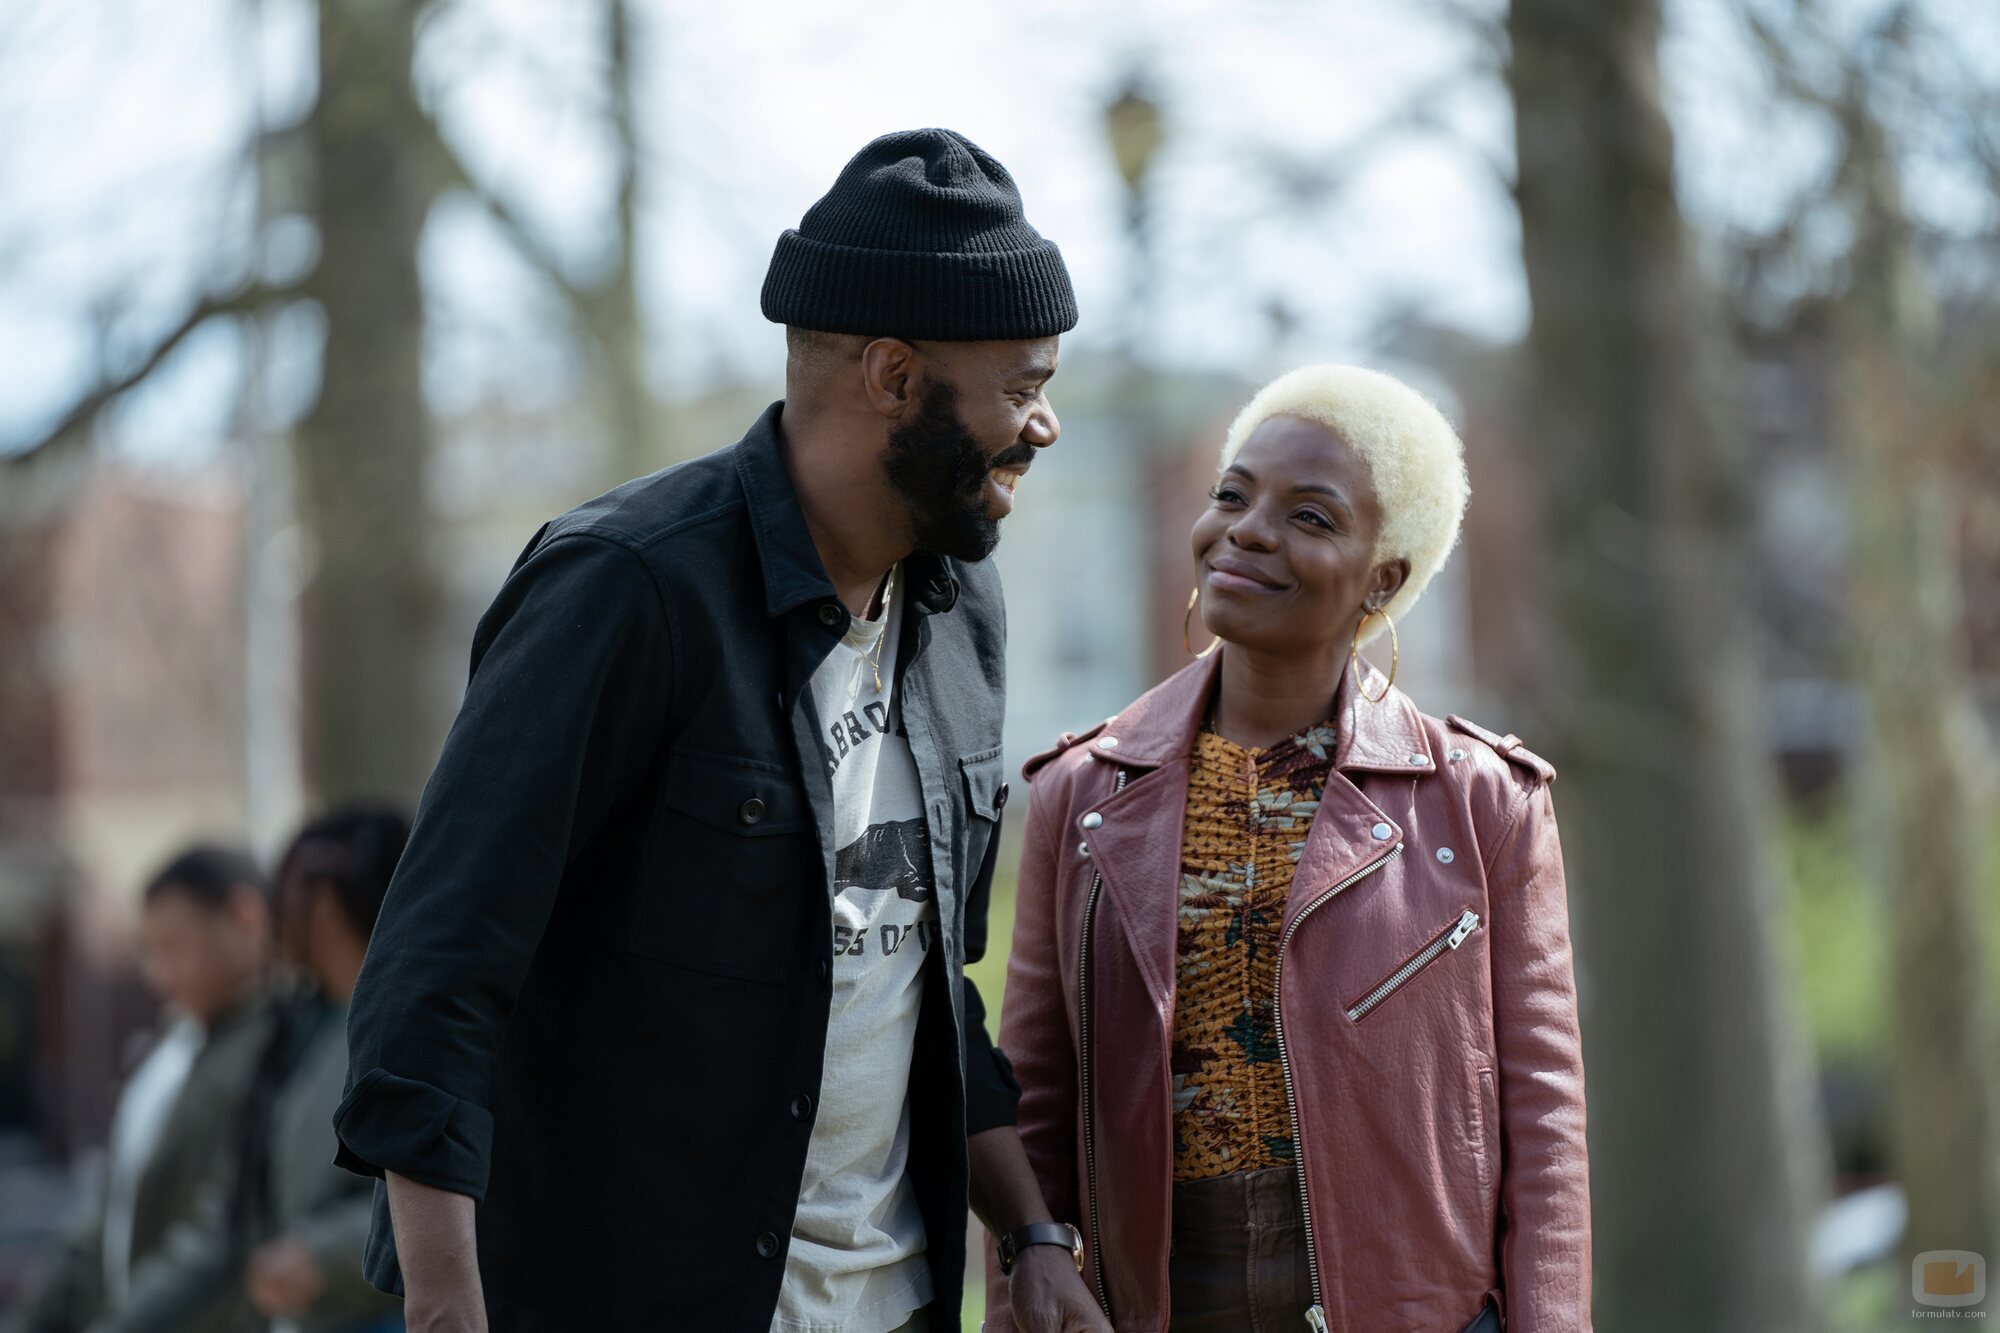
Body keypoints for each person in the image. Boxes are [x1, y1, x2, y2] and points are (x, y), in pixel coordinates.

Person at [332, 127, 1101, 1333]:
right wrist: (444, 1308)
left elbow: (920, 974)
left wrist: (1032, 1233)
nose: (1041, 427)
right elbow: (435, 977)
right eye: (1022, 385)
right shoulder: (627, 589)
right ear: (893, 377)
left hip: (891, 1306)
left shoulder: (962, 610)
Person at [988, 366, 1592, 1332]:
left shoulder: (1484, 803)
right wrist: (1024, 1296)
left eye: (1310, 517)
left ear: (1383, 578)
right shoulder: (1082, 794)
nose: (1249, 529)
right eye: (1233, 494)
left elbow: (1543, 1114)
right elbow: (1035, 1104)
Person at [98, 807, 409, 1333]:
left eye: (287, 893)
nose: (271, 914)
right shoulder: (295, 1036)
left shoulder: (402, 1028)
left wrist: (322, 1256)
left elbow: (448, 1184)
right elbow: (232, 1209)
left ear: (327, 905)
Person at [7, 847, 277, 1333]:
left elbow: (220, 1232)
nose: (158, 973)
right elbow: (108, 1208)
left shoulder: (277, 1048)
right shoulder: (176, 1040)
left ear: (246, 917)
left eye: (174, 946)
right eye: (148, 950)